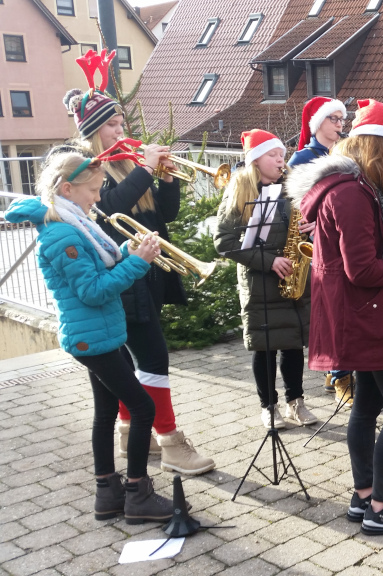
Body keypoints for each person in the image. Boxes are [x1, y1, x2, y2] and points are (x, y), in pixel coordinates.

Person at [7, 151, 183, 524]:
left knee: (105, 413)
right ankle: (138, 493)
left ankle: (108, 494)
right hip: (92, 338)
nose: (99, 197)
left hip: (100, 334)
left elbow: (99, 263)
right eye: (92, 190)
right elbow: (92, 291)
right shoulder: (61, 234)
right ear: (67, 189)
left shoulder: (75, 223)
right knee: (143, 409)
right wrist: (139, 264)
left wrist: (127, 250)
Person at [293, 99, 383, 535]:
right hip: (369, 316)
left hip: (362, 315)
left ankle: (363, 497)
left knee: (368, 405)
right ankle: (381, 507)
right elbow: (363, 270)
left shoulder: (354, 187)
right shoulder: (353, 194)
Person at [63, 84, 214, 476]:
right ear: (95, 130)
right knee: (154, 357)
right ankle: (171, 444)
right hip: (121, 277)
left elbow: (166, 213)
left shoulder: (126, 162)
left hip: (146, 274)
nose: (121, 128)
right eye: (112, 123)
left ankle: (133, 433)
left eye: (121, 121)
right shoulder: (88, 165)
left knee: (134, 359)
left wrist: (165, 178)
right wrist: (146, 167)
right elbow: (108, 206)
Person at [214, 130, 317, 429]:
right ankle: (268, 406)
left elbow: (302, 228)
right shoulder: (239, 193)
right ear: (255, 160)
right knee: (266, 346)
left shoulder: (290, 189)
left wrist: (308, 229)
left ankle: (295, 402)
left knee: (293, 343)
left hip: (293, 275)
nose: (280, 160)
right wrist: (271, 262)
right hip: (261, 281)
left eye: (282, 155)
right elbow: (224, 241)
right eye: (273, 155)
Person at [286, 97, 353, 400]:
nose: (340, 125)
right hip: (319, 244)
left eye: (342, 119)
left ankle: (336, 371)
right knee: (332, 310)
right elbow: (293, 207)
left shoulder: (344, 154)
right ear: (318, 124)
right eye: (334, 119)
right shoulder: (302, 158)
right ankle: (338, 375)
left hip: (343, 239)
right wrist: (309, 222)